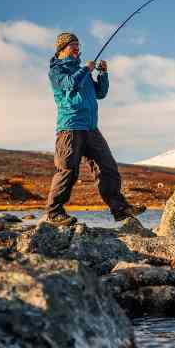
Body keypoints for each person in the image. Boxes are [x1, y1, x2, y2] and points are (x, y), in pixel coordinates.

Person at [42, 32, 145, 226]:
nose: (77, 48)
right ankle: (54, 213)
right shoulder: (56, 71)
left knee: (108, 167)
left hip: (91, 128)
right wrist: (85, 70)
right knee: (67, 170)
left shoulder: (82, 71)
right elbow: (69, 83)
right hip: (70, 127)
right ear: (62, 49)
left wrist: (103, 74)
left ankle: (120, 209)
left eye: (78, 45)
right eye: (73, 45)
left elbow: (100, 93)